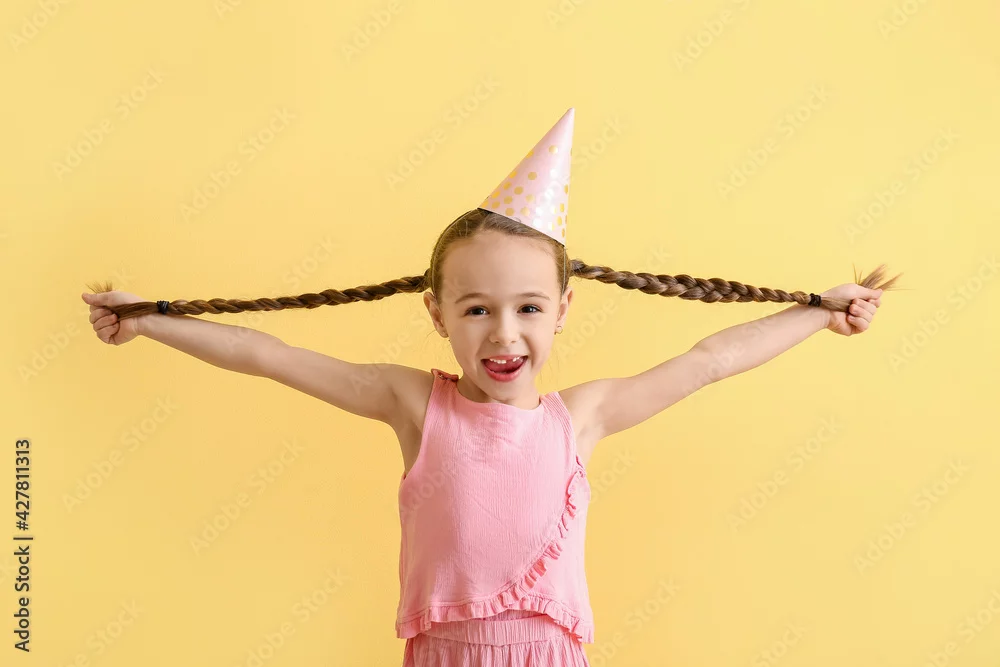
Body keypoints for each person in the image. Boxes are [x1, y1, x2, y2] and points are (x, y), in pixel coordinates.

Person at [81, 108, 898, 666]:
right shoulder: (414, 405)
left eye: (528, 308)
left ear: (563, 309)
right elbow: (268, 353)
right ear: (437, 313)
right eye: (477, 308)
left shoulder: (583, 416)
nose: (504, 334)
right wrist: (149, 320)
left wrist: (819, 313)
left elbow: (712, 357)